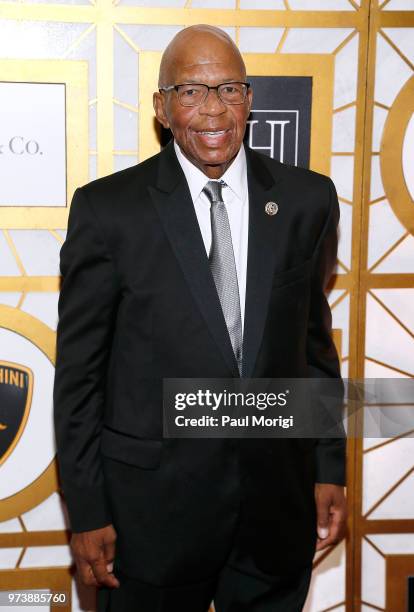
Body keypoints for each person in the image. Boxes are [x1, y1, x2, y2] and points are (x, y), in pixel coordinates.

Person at [54, 24, 347, 612]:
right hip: (150, 517)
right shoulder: (108, 210)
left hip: (275, 509)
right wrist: (87, 511)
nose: (213, 109)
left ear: (250, 99)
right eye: (190, 91)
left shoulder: (307, 200)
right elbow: (80, 378)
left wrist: (328, 466)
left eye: (229, 88)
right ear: (162, 108)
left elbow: (312, 349)